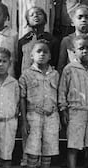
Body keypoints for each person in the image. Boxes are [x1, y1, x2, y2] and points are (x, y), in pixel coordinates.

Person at [58, 35, 88, 168]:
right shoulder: (69, 69)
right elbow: (62, 90)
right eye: (81, 48)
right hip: (76, 112)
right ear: (74, 51)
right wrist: (63, 110)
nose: (85, 51)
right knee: (74, 145)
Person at [19, 40, 61, 168]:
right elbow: (22, 98)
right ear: (31, 55)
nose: (42, 54)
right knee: (33, 150)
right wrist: (24, 121)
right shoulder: (26, 75)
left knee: (48, 150)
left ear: (50, 56)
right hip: (34, 116)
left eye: (45, 52)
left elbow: (59, 95)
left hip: (51, 116)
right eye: (38, 51)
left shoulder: (55, 74)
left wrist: (58, 117)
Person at [57, 5, 88, 73]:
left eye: (87, 17)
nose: (83, 20)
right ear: (72, 22)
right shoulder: (67, 41)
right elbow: (61, 66)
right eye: (79, 17)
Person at [16, 7, 57, 76]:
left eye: (39, 14)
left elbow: (55, 62)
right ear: (27, 21)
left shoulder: (52, 40)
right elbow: (18, 63)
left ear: (45, 20)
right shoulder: (23, 41)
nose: (35, 16)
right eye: (31, 15)